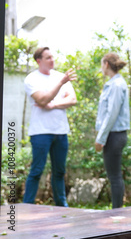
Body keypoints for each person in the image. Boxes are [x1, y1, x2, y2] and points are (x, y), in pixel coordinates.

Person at [23, 47, 77, 207]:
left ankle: (62, 207)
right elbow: (42, 100)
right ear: (39, 61)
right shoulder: (31, 79)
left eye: (52, 57)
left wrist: (53, 105)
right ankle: (27, 206)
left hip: (61, 132)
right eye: (48, 58)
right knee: (37, 171)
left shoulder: (60, 76)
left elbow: (72, 100)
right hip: (40, 133)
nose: (52, 60)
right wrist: (60, 84)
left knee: (59, 172)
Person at [95, 53, 130, 209]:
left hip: (114, 136)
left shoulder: (116, 85)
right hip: (113, 135)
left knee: (114, 177)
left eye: (102, 64)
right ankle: (117, 210)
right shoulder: (113, 83)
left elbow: (111, 113)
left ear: (106, 64)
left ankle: (117, 212)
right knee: (114, 176)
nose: (101, 68)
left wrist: (100, 139)